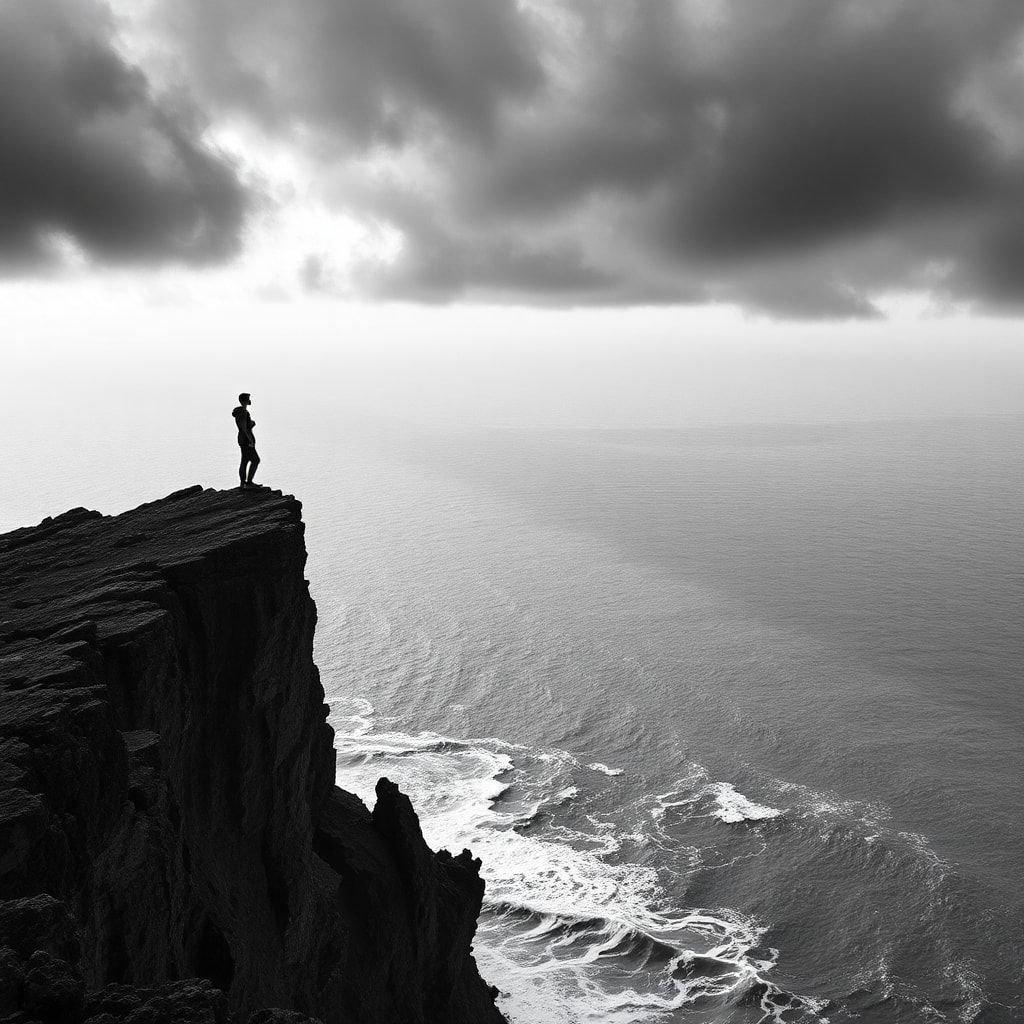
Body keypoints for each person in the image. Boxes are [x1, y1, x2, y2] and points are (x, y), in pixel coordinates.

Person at [232, 392, 260, 488]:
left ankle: (243, 483)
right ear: (244, 401)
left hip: (242, 439)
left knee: (245, 460)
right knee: (255, 460)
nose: (250, 400)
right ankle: (249, 483)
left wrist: (251, 423)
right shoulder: (243, 412)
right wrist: (251, 441)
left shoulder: (241, 412)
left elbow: (243, 426)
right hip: (246, 440)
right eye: (248, 398)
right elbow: (243, 428)